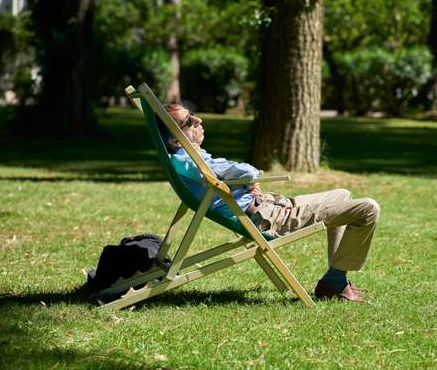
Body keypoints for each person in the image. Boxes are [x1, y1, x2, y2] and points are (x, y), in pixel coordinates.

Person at [162, 102, 380, 304]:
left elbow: (227, 176)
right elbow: (243, 172)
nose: (198, 119)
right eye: (189, 121)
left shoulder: (187, 159)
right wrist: (251, 177)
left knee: (342, 194)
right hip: (271, 218)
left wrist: (248, 184)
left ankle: (335, 281)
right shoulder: (188, 162)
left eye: (192, 114)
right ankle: (334, 282)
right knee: (368, 209)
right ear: (174, 140)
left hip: (269, 204)